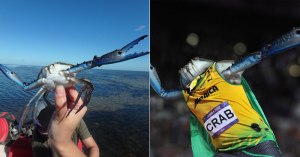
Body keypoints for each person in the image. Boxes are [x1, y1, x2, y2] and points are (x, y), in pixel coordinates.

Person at [150, 27, 300, 156]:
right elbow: (163, 93)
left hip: (255, 144)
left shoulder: (221, 74)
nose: (186, 67)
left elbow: (259, 55)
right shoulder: (189, 93)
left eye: (192, 61)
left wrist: (293, 37)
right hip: (226, 152)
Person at [32, 86, 100, 157]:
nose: (49, 137)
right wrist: (61, 143)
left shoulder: (75, 121)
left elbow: (92, 146)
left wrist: (61, 143)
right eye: (45, 135)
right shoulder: (37, 144)